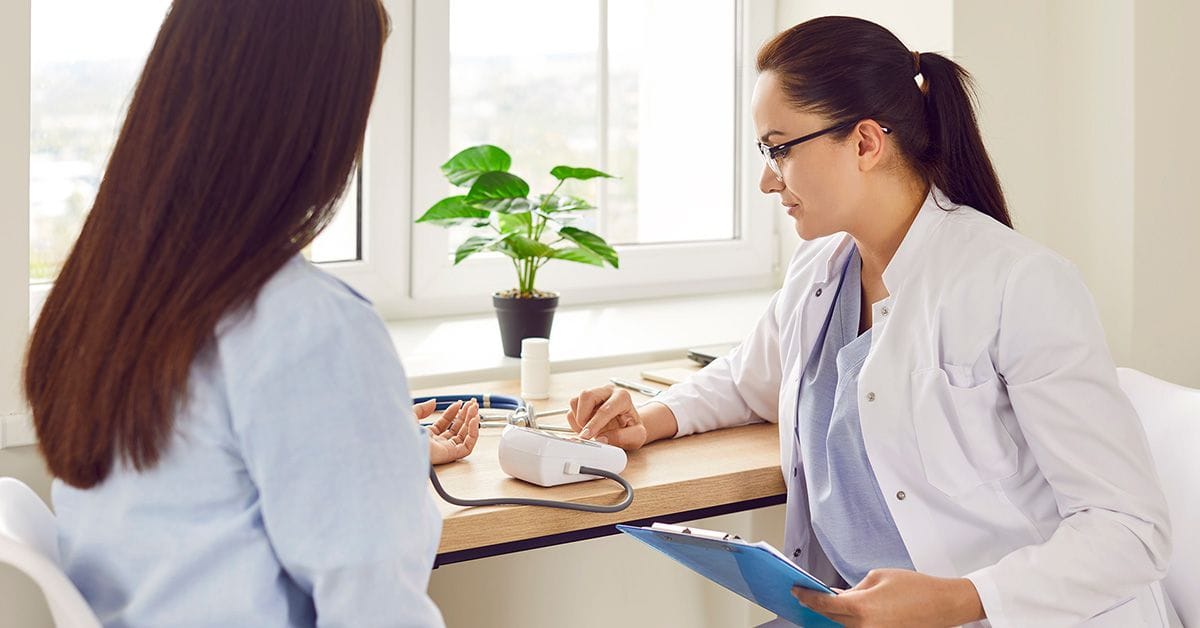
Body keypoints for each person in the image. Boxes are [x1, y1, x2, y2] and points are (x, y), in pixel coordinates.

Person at [567, 16, 1176, 627]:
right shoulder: (822, 270)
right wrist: (646, 420)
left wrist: (955, 599)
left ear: (864, 142)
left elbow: (1131, 532)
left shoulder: (1018, 284)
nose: (765, 179)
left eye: (779, 149)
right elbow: (749, 378)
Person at [23, 1, 476, 625]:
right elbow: (377, 610)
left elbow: (206, 491)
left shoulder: (107, 299)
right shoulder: (308, 323)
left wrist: (380, 453)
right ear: (314, 120)